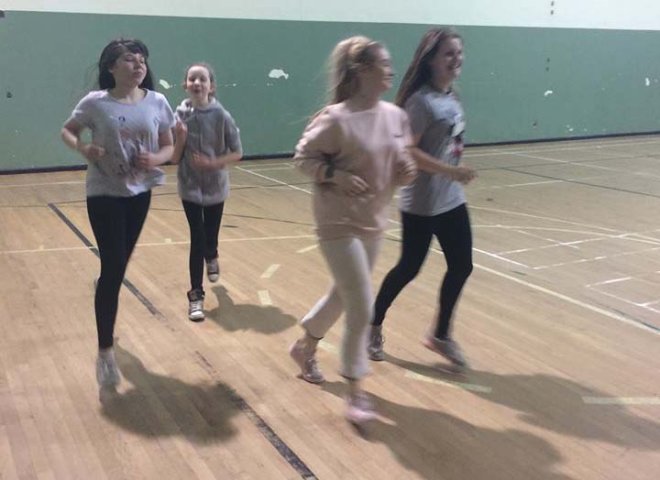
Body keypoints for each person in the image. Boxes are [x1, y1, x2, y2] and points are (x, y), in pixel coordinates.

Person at [289, 36, 417, 425]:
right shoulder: (336, 119)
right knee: (362, 305)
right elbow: (302, 159)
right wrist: (336, 175)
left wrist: (405, 171)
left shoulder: (395, 117)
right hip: (337, 222)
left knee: (343, 297)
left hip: (373, 220)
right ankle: (356, 390)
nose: (390, 71)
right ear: (361, 70)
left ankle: (305, 346)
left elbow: (400, 164)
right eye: (384, 64)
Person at [60, 38, 175, 389]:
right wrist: (84, 147)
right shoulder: (95, 103)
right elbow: (68, 131)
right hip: (104, 194)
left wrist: (155, 159)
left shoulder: (157, 102)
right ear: (111, 67)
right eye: (129, 59)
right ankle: (105, 352)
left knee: (118, 266)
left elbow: (169, 146)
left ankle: (106, 285)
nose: (138, 64)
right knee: (113, 270)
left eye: (142, 59)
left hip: (139, 193)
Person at [368, 28, 477, 371]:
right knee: (409, 268)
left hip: (451, 198)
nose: (456, 59)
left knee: (462, 265)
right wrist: (450, 170)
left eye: (459, 52)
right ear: (431, 59)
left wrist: (452, 174)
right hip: (423, 201)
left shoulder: (451, 97)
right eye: (448, 53)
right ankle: (372, 323)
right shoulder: (421, 102)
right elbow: (408, 150)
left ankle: (440, 334)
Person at [170, 62, 243, 321]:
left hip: (215, 187)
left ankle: (212, 254)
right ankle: (196, 295)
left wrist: (213, 163)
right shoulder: (179, 115)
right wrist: (180, 138)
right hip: (189, 186)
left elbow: (237, 152)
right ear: (185, 85)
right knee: (197, 238)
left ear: (211, 87)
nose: (197, 83)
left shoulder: (222, 116)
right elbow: (174, 158)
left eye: (202, 79)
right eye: (192, 79)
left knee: (209, 237)